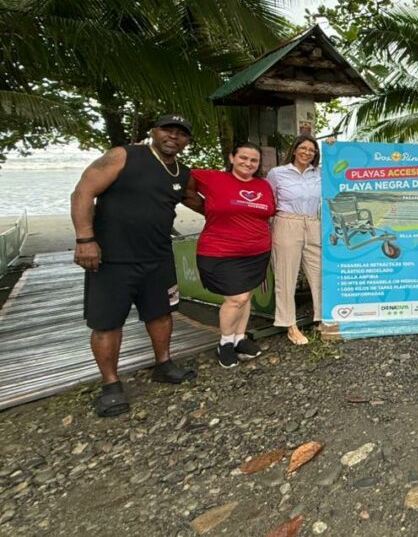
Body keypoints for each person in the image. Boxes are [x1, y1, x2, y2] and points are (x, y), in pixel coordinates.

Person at [72, 114, 201, 417]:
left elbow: (197, 201)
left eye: (181, 133)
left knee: (161, 313)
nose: (173, 136)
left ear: (187, 141)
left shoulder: (182, 172)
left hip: (157, 256)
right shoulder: (124, 155)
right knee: (106, 322)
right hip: (112, 257)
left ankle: (164, 364)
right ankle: (111, 384)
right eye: (167, 130)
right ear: (154, 131)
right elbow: (82, 192)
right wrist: (84, 239)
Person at [189, 143, 276, 368]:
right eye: (243, 158)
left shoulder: (263, 185)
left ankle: (240, 339)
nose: (248, 163)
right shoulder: (212, 178)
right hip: (220, 251)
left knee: (245, 296)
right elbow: (177, 178)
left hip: (256, 252)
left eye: (253, 160)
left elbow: (269, 212)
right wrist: (201, 206)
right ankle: (225, 343)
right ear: (232, 157)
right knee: (236, 298)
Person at [266, 135, 322, 346]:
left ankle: (320, 318)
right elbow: (269, 200)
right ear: (295, 149)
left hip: (313, 222)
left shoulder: (319, 173)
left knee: (319, 273)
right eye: (303, 148)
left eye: (312, 150)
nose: (307, 152)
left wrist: (335, 147)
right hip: (286, 222)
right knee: (285, 275)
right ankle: (290, 324)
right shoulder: (278, 173)